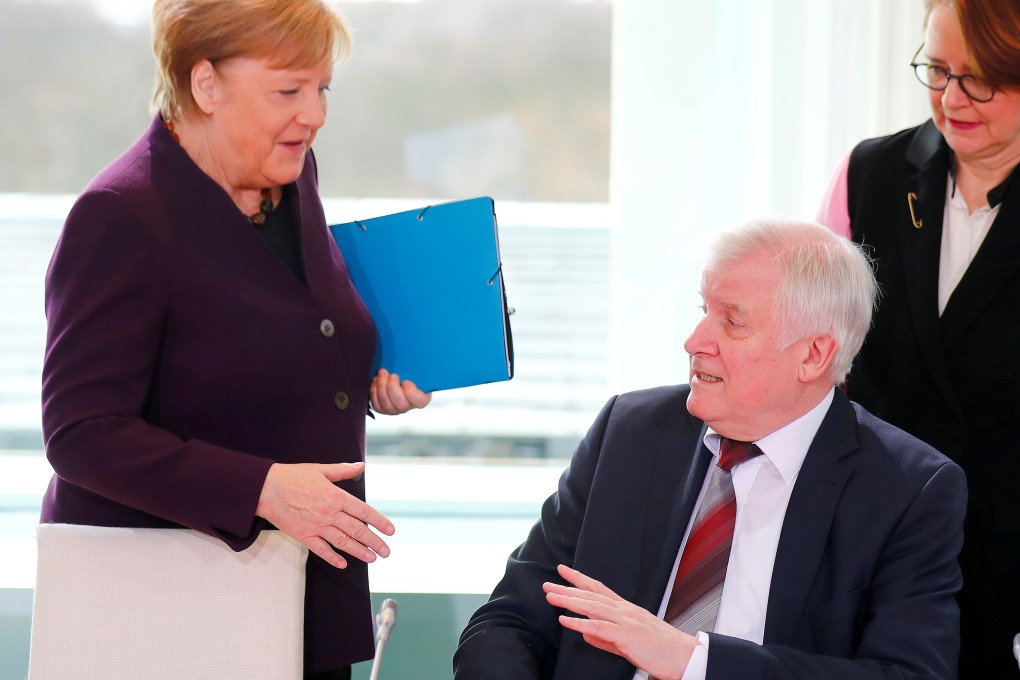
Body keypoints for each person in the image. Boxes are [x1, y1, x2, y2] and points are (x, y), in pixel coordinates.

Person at [39, 1, 430, 677]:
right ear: (206, 84)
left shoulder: (289, 173)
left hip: (305, 591)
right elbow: (81, 432)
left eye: (322, 88)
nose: (315, 115)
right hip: (169, 612)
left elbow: (274, 336)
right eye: (289, 91)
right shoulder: (120, 216)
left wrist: (363, 382)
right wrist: (263, 489)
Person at [454, 218, 967, 680]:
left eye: (732, 321)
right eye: (704, 311)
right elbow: (511, 619)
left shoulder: (909, 489)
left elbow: (909, 674)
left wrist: (690, 660)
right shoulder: (629, 432)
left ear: (814, 355)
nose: (695, 340)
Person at [815, 0, 1020, 674]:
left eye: (982, 76)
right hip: (876, 525)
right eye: (937, 69)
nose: (952, 98)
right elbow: (815, 350)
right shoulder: (869, 174)